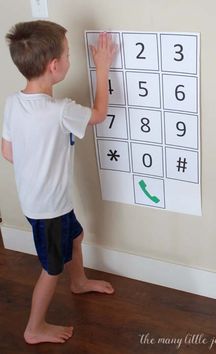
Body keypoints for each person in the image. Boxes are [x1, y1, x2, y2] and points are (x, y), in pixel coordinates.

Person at [1, 20, 117, 345]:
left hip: (41, 202)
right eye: (68, 54)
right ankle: (33, 328)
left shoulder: (12, 102)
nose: (70, 58)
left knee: (76, 236)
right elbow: (98, 114)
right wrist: (103, 68)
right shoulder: (59, 111)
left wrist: (37, 163)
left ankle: (78, 282)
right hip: (48, 209)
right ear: (55, 67)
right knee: (51, 269)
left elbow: (7, 151)